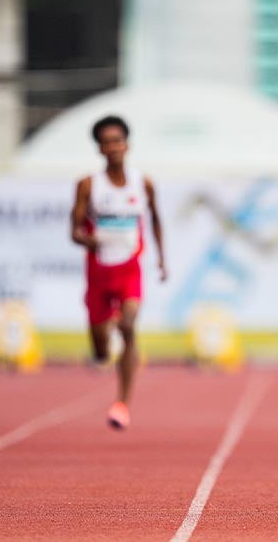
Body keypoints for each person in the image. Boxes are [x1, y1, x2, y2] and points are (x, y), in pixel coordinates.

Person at [70, 115, 167, 430]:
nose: (113, 147)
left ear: (127, 145)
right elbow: (74, 231)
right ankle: (106, 331)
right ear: (99, 149)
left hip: (129, 271)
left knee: (128, 326)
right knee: (101, 352)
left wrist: (162, 259)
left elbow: (155, 219)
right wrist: (90, 239)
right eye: (106, 142)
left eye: (117, 141)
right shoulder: (88, 185)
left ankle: (122, 403)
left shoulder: (143, 183)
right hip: (99, 274)